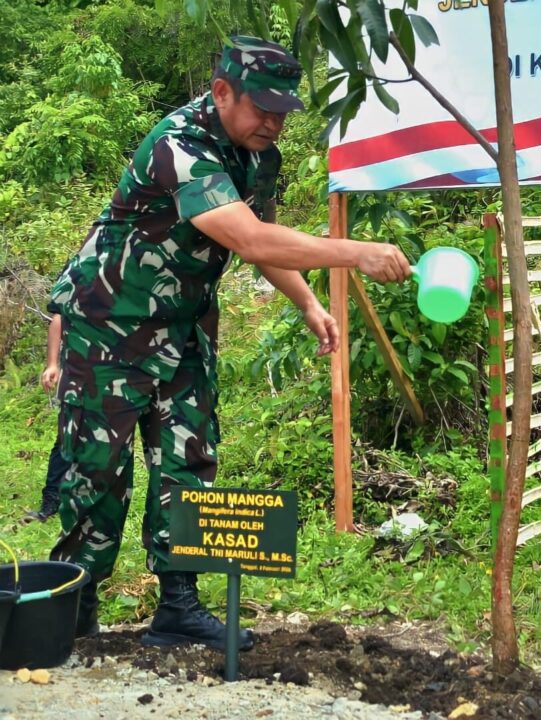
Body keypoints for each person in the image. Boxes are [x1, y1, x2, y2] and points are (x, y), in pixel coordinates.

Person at [47, 36, 410, 651]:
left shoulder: (252, 152)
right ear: (220, 92)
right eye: (261, 106)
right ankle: (74, 606)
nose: (273, 122)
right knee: (97, 472)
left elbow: (261, 232)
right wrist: (355, 253)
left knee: (188, 461)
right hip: (108, 326)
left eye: (283, 110)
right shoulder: (178, 145)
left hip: (184, 328)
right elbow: (251, 240)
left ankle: (179, 605)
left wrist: (308, 302)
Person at [25, 314, 65, 522]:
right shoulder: (78, 281)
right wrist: (52, 364)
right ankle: (51, 501)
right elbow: (58, 319)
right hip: (79, 371)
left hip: (125, 372)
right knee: (65, 437)